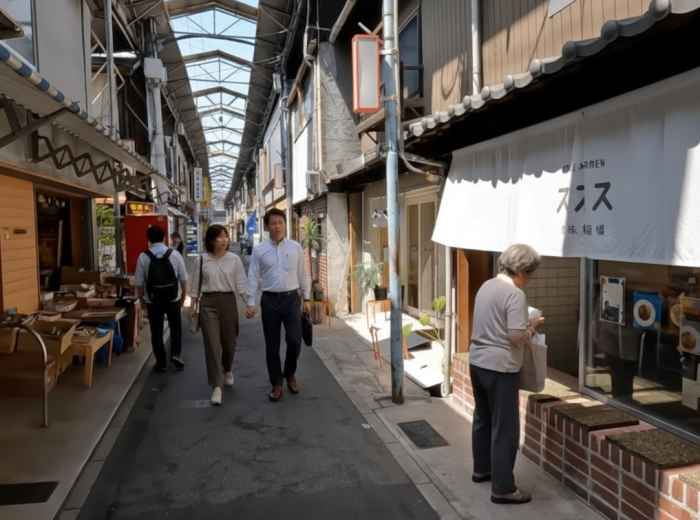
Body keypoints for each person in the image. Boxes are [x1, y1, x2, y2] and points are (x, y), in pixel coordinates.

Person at [469, 244, 543, 505]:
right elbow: (514, 336)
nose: (529, 279)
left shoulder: (486, 286)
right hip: (500, 367)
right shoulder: (515, 294)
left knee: (483, 418)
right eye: (530, 273)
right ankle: (503, 488)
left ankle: (482, 470)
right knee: (506, 428)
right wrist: (531, 327)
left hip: (476, 361)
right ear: (521, 271)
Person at [245, 209, 310, 402]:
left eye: (280, 222)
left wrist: (306, 298)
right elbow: (253, 276)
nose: (277, 226)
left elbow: (303, 273)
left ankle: (289, 373)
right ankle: (276, 383)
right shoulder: (259, 250)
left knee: (295, 341)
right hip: (270, 301)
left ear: (285, 224)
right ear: (267, 227)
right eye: (273, 223)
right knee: (272, 346)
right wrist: (251, 302)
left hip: (291, 299)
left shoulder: (295, 247)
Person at [190, 225, 248, 406]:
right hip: (208, 303)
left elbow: (241, 284)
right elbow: (194, 286)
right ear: (211, 240)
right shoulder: (201, 260)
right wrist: (192, 306)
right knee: (212, 345)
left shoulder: (234, 260)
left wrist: (250, 304)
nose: (224, 240)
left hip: (228, 302)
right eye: (219, 237)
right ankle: (217, 385)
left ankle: (228, 369)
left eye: (226, 236)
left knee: (229, 342)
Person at [135, 225, 188, 373]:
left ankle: (161, 362)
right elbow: (183, 279)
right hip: (173, 299)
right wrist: (183, 297)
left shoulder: (143, 256)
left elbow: (139, 283)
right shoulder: (175, 254)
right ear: (164, 237)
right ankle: (176, 355)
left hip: (153, 300)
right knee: (176, 328)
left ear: (149, 240)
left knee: (156, 331)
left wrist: (142, 301)